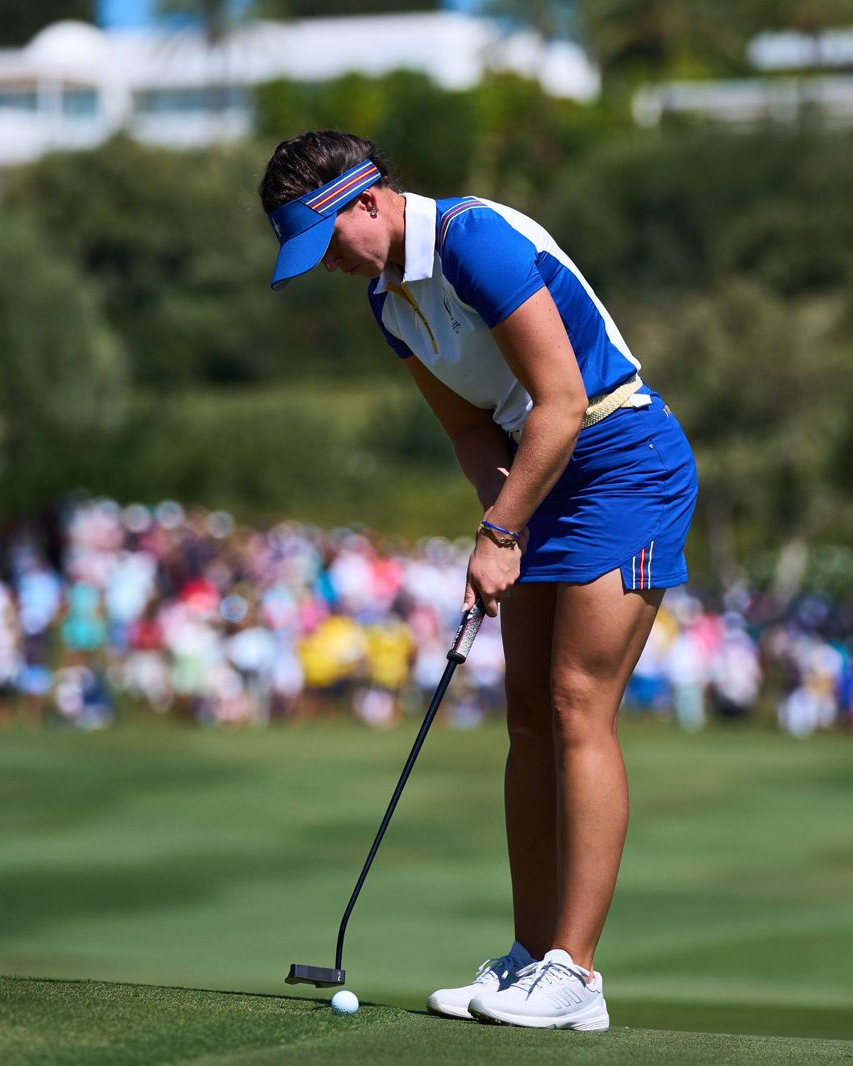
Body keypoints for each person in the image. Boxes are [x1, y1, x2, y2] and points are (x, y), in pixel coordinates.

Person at [259, 131, 699, 1032]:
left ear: (367, 200)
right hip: (542, 475)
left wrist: (503, 534)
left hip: (623, 459)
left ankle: (575, 971)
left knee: (578, 703)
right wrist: (499, 520)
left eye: (330, 241)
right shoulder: (392, 305)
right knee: (528, 717)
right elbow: (470, 431)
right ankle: (533, 957)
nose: (331, 266)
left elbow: (564, 399)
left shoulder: (473, 240)